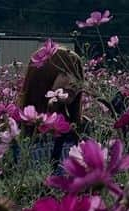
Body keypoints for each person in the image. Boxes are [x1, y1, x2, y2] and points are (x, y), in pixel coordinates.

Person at [16, 42, 84, 170]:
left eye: (77, 75)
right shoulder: (12, 131)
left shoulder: (83, 129)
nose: (74, 82)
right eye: (65, 74)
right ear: (42, 77)